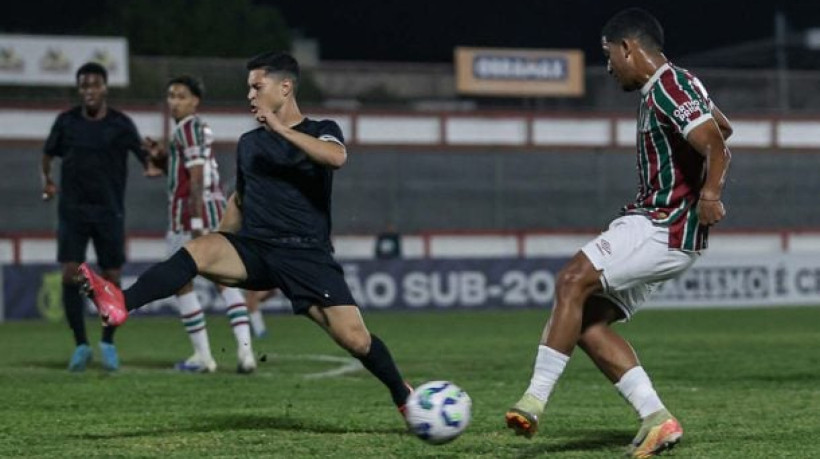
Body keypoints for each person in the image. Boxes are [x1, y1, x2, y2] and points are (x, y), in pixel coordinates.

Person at [79, 51, 412, 415]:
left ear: (284, 88)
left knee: (355, 339)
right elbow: (241, 198)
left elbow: (336, 158)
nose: (250, 95)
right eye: (249, 89)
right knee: (196, 251)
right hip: (256, 249)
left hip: (306, 255)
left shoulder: (322, 129)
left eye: (257, 87)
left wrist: (282, 130)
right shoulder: (250, 143)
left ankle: (404, 397)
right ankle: (121, 302)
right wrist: (220, 239)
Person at [504, 8, 733, 458]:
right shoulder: (674, 85)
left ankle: (533, 400)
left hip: (663, 222)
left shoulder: (668, 85)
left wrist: (707, 195)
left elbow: (716, 143)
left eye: (609, 56)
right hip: (668, 229)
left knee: (572, 278)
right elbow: (720, 127)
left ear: (629, 48)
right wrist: (701, 177)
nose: (608, 67)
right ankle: (656, 418)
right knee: (588, 323)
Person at [41, 62, 161, 372]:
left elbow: (143, 157)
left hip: (109, 212)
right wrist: (48, 179)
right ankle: (81, 344)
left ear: (105, 88)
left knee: (112, 278)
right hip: (73, 211)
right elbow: (48, 153)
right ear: (79, 90)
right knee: (70, 273)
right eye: (84, 86)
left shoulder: (121, 124)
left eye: (95, 85)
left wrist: (152, 164)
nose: (89, 91)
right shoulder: (66, 122)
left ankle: (107, 341)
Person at [142, 75, 256, 373]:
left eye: (181, 96)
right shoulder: (195, 128)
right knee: (226, 279)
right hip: (216, 212)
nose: (174, 102)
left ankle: (203, 357)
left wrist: (194, 219)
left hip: (190, 216)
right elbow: (189, 167)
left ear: (195, 101)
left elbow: (195, 175)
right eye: (171, 96)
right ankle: (246, 354)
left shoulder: (189, 127)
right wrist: (163, 158)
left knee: (180, 283)